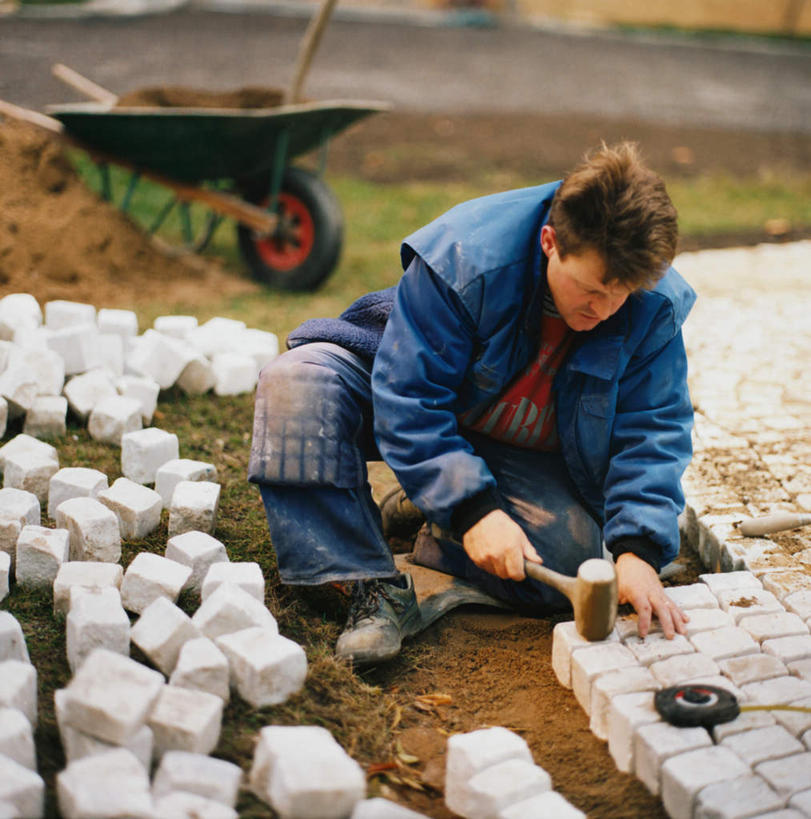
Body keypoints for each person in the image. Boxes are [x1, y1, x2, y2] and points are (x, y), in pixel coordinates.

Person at [249, 141, 695, 668]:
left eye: (623, 293)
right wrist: (476, 511)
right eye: (592, 289)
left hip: (518, 449)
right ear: (551, 242)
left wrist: (638, 553)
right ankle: (367, 583)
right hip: (418, 398)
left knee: (572, 562)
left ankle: (437, 517)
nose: (606, 309)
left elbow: (653, 429)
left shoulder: (650, 304)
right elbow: (410, 398)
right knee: (297, 383)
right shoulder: (465, 256)